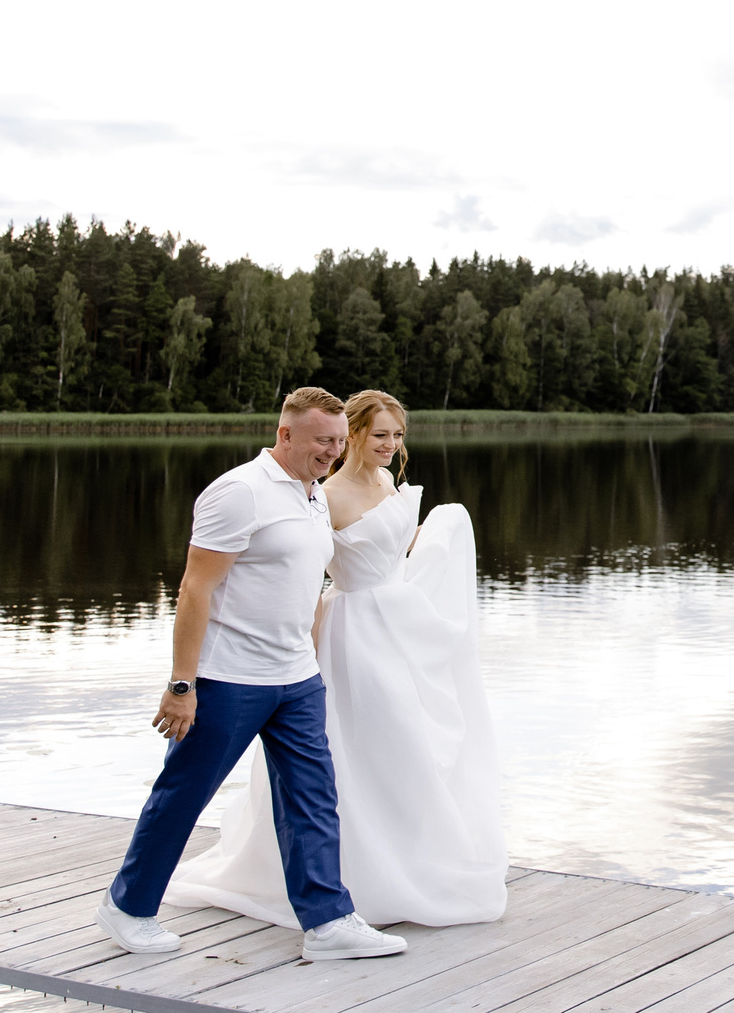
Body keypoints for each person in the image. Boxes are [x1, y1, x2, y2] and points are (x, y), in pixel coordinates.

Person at [169, 389, 508, 928]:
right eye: (380, 435)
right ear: (351, 435)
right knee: (355, 745)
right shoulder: (323, 496)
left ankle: (406, 860)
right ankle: (346, 879)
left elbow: (389, 546)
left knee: (406, 744)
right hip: (353, 632)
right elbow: (302, 569)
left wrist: (438, 540)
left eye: (398, 436)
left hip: (398, 624)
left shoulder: (387, 482)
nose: (391, 445)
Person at [95, 387, 406, 962]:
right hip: (229, 680)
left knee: (313, 799)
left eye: (339, 442)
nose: (333, 452)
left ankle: (328, 922)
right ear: (285, 434)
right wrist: (182, 684)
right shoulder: (240, 492)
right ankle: (128, 908)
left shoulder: (315, 496)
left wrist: (312, 664)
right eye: (322, 441)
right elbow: (196, 588)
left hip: (296, 678)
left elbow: (308, 587)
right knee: (183, 795)